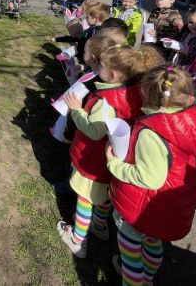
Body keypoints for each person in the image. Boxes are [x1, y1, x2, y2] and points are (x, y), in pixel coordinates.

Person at [107, 66, 196, 285]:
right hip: (173, 206)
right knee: (153, 241)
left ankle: (134, 280)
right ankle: (148, 274)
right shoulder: (195, 120)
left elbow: (150, 178)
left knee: (130, 245)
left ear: (147, 95)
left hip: (146, 209)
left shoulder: (152, 132)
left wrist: (114, 164)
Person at [57, 45, 163, 258]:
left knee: (85, 199)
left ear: (112, 74)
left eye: (101, 66)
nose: (98, 68)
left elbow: (94, 131)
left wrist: (77, 110)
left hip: (93, 160)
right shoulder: (137, 92)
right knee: (104, 196)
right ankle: (100, 226)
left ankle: (78, 240)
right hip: (114, 160)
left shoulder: (107, 100)